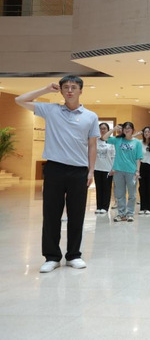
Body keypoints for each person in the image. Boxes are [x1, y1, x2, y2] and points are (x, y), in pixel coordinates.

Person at [15, 76, 99, 273]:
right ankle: (52, 257)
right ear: (60, 91)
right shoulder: (51, 110)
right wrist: (45, 90)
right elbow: (19, 100)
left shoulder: (90, 116)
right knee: (51, 214)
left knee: (77, 214)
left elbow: (92, 145)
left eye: (74, 87)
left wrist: (91, 170)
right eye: (65, 87)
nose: (69, 90)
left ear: (81, 91)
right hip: (54, 169)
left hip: (79, 170)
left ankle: (74, 255)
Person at [102, 122, 143, 222]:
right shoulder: (118, 140)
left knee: (132, 194)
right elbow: (104, 138)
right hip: (118, 170)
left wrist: (137, 171)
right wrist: (113, 129)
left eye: (129, 128)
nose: (127, 130)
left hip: (131, 171)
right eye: (125, 128)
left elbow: (138, 158)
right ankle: (121, 214)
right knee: (119, 194)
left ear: (133, 130)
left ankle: (130, 214)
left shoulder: (137, 142)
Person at [94, 122, 115, 214]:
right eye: (100, 129)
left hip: (108, 168)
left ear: (108, 130)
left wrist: (113, 168)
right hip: (97, 168)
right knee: (98, 188)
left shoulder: (111, 141)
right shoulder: (95, 140)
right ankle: (99, 206)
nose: (102, 130)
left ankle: (105, 207)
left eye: (104, 129)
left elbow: (114, 156)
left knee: (106, 188)